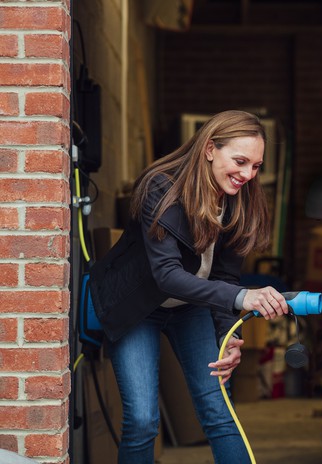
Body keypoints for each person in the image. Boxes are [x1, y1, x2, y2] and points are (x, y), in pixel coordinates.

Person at [89, 110, 288, 464]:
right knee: (142, 419)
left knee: (218, 410)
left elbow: (225, 278)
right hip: (138, 308)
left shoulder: (238, 199)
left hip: (189, 308)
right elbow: (166, 274)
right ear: (210, 148)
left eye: (256, 166)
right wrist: (244, 298)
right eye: (240, 161)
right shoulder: (160, 187)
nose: (247, 175)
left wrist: (229, 338)